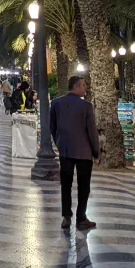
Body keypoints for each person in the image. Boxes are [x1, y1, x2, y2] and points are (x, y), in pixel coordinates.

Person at [49, 74, 100, 230]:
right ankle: (81, 218)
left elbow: (52, 127)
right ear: (77, 87)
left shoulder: (56, 103)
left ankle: (66, 217)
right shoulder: (86, 106)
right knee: (84, 186)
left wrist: (59, 142)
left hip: (65, 150)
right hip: (84, 152)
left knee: (66, 184)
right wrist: (96, 152)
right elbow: (92, 131)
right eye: (83, 85)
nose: (86, 88)